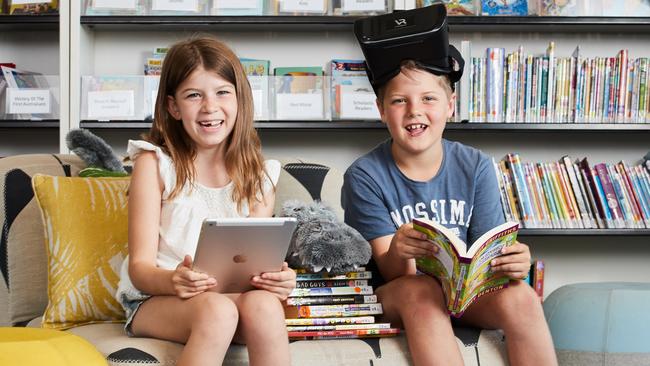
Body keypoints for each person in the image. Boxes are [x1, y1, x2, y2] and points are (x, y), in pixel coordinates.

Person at [342, 6, 557, 366]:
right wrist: (399, 248)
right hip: (398, 292)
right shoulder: (364, 174)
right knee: (421, 288)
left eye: (429, 98)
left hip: (466, 291)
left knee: (521, 297)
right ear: (381, 109)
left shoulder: (474, 165)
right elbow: (393, 271)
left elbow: (490, 254)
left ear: (449, 105)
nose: (415, 111)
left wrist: (514, 262)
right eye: (399, 101)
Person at [115, 36, 296, 366]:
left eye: (222, 92)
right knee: (217, 311)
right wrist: (174, 280)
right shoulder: (154, 164)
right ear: (173, 107)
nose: (210, 107)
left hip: (229, 298)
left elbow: (252, 268)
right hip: (158, 299)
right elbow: (140, 270)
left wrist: (276, 281)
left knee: (266, 306)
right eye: (193, 95)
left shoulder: (260, 174)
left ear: (240, 99)